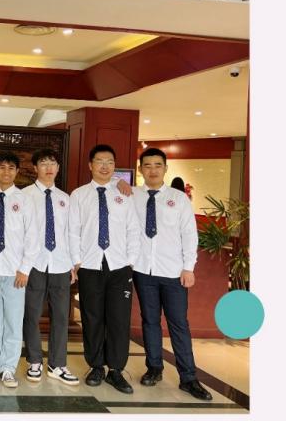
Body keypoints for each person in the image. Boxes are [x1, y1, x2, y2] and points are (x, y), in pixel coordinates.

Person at [133, 148, 212, 400]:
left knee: (178, 323)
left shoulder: (179, 199)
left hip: (173, 272)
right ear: (140, 169)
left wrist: (189, 267)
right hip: (143, 270)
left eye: (158, 165)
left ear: (165, 168)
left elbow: (189, 234)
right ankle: (154, 368)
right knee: (150, 321)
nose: (153, 170)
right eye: (147, 165)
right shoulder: (132, 195)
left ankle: (188, 377)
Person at [69, 144, 141, 394]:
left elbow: (133, 229)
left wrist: (131, 261)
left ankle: (116, 370)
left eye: (110, 162)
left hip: (119, 265)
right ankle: (96, 366)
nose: (105, 166)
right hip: (90, 264)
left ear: (115, 166)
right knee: (92, 317)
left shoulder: (124, 194)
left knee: (119, 319)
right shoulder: (79, 195)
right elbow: (73, 230)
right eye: (100, 161)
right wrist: (76, 261)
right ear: (90, 165)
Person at [0, 151, 40, 389]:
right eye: (2, 167)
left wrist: (25, 269)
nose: (6, 172)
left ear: (17, 172)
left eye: (11, 168)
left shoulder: (25, 200)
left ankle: (8, 367)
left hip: (16, 272)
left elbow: (32, 237)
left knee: (14, 321)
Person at [21, 148, 79, 385]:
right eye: (43, 163)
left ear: (58, 168)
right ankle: (34, 361)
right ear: (35, 167)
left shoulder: (66, 198)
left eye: (52, 163)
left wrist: (74, 263)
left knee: (61, 317)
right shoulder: (24, 196)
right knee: (31, 315)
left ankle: (57, 364)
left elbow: (71, 232)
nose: (48, 167)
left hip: (61, 264)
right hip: (34, 264)